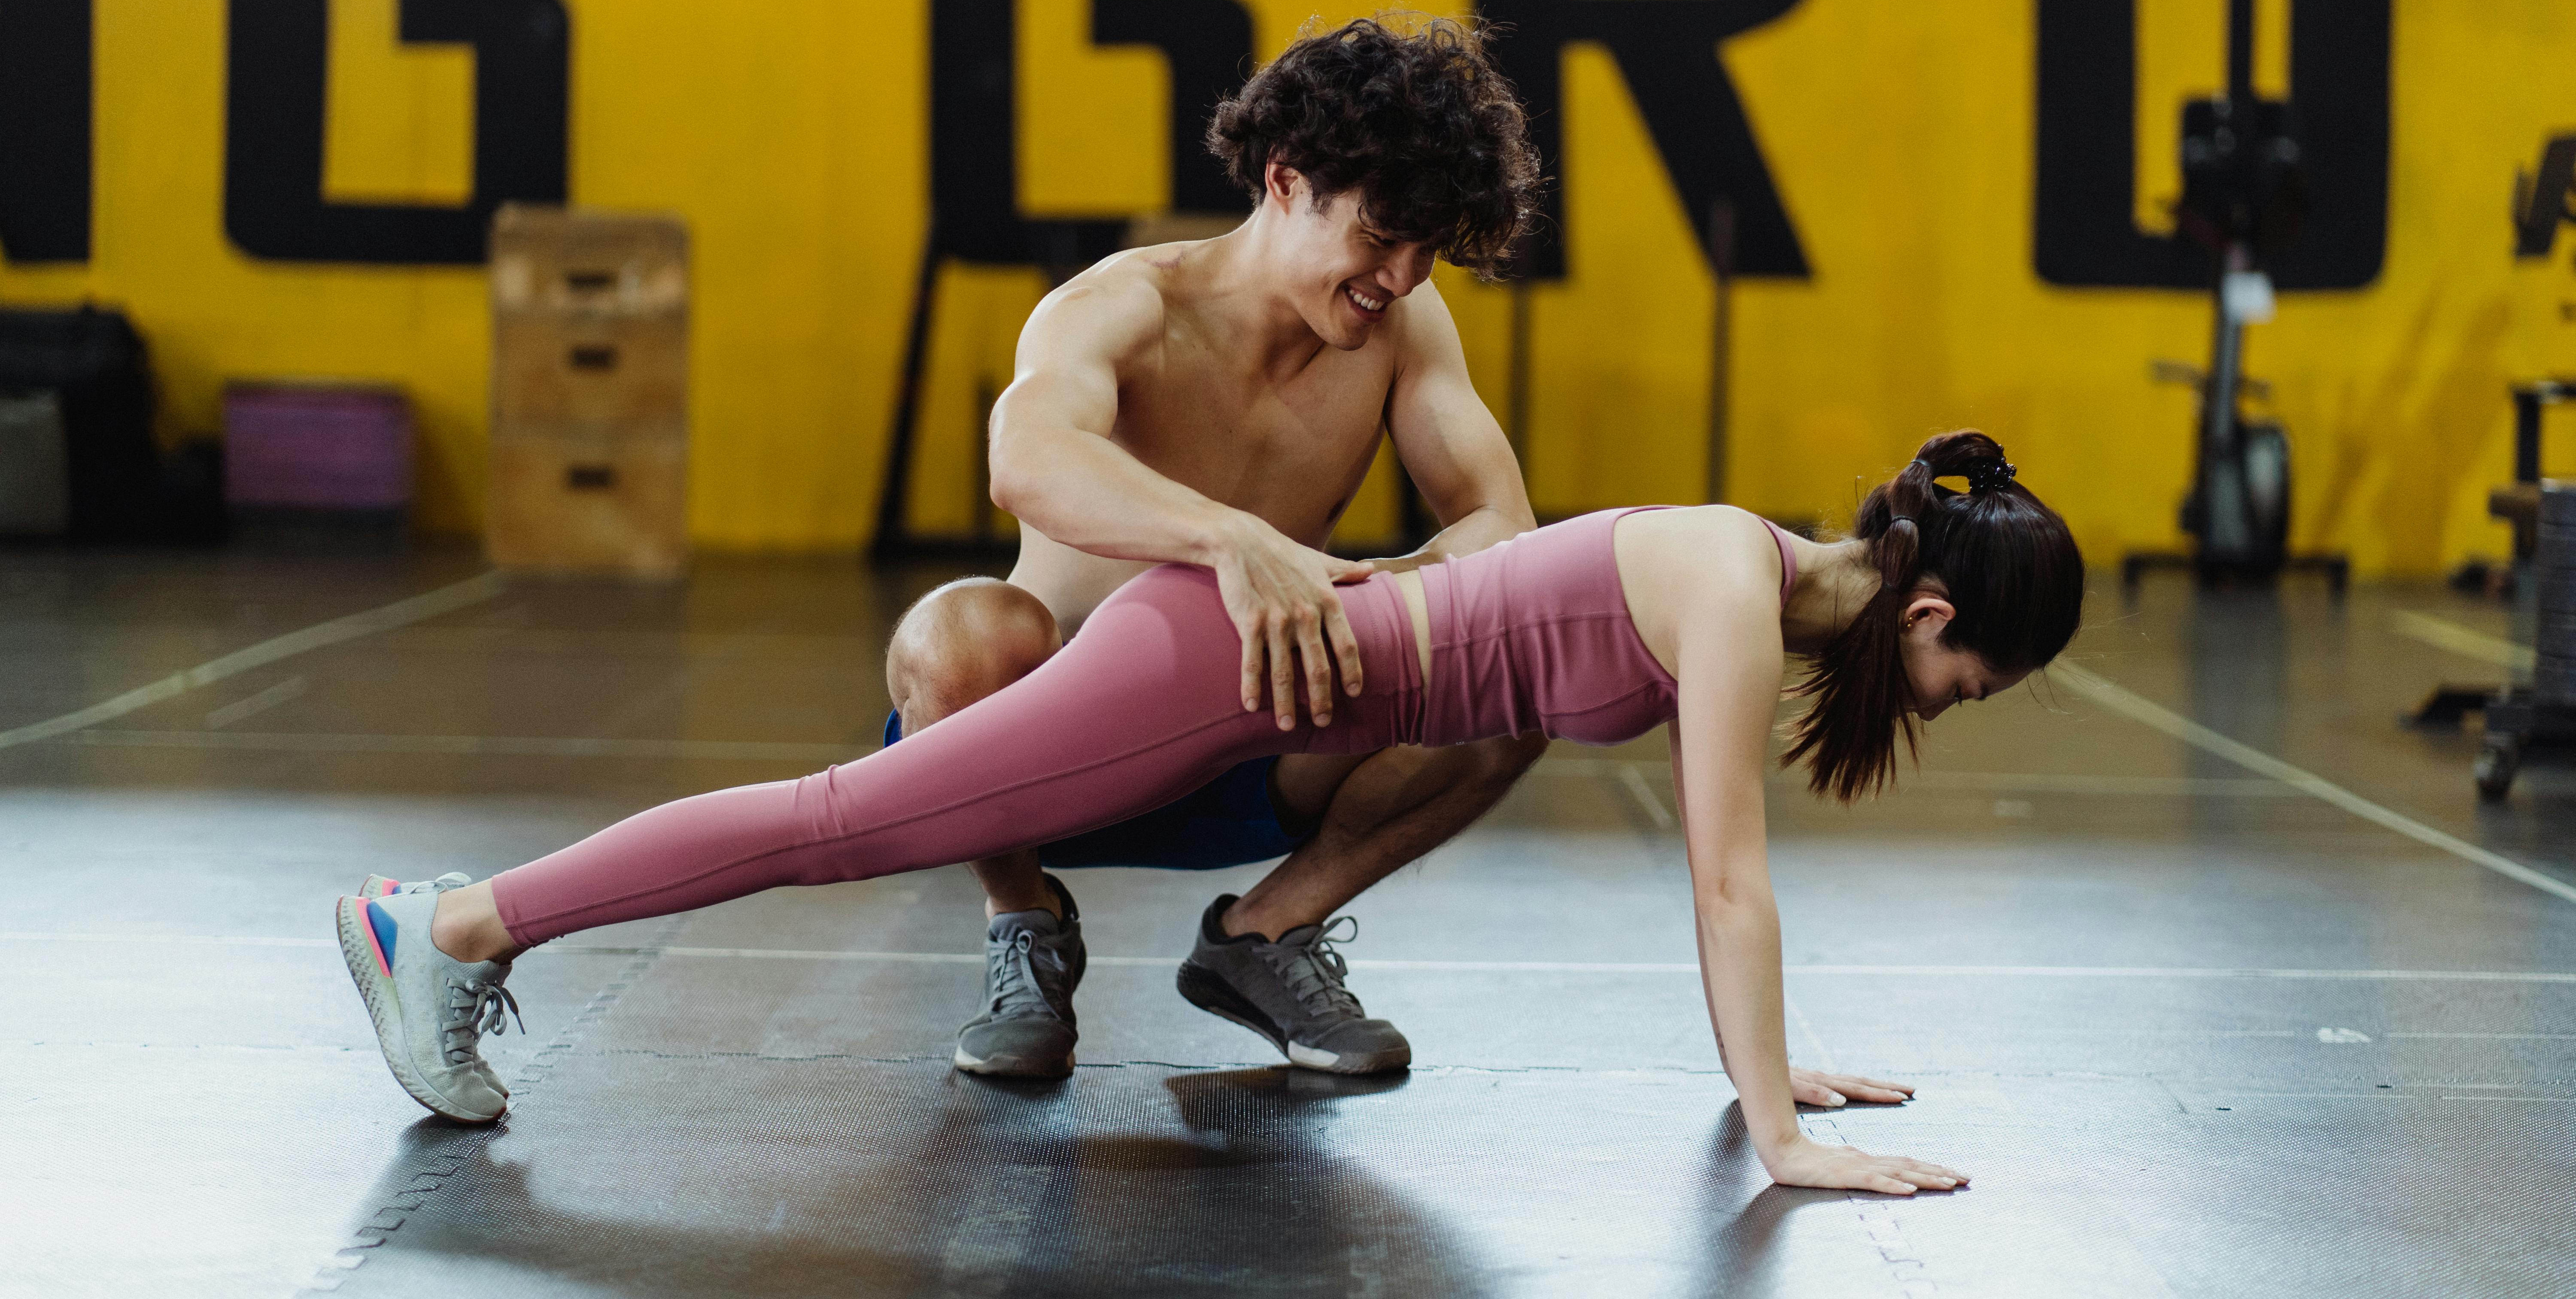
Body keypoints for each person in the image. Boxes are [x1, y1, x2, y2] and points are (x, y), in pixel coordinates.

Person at [338, 429, 2084, 1195]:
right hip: (1214, 671)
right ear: (1931, 620)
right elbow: (1725, 880)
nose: (1945, 715)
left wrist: (1782, 1069)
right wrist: (1779, 1133)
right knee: (842, 821)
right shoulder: (1723, 572)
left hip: (1268, 687)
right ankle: (456, 922)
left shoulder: (1740, 572)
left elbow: (1688, 855)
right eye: (1969, 689)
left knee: (846, 818)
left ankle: (1257, 941)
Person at [883, 13, 1552, 1081]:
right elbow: (1026, 457)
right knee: (957, 630)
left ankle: (1265, 934)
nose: (1405, 273)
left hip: (1256, 730)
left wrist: (1375, 589)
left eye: (1431, 248)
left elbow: (1499, 525)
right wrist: (1231, 536)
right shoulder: (1125, 303)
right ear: (1286, 179)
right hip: (1043, 752)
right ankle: (1027, 929)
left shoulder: (1407, 332)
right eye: (1383, 234)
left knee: (1510, 681)